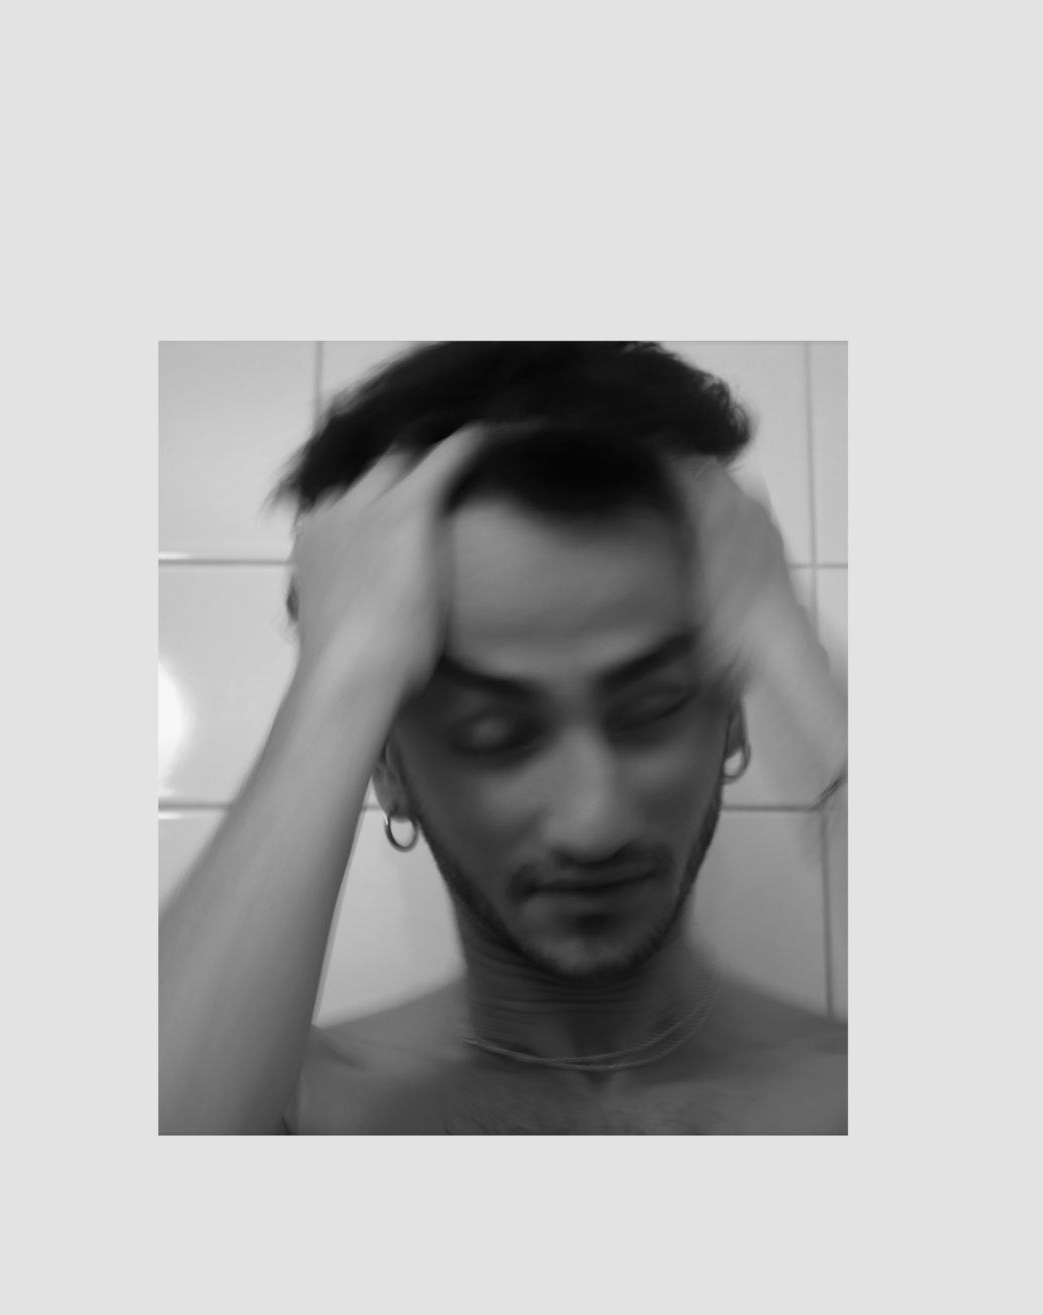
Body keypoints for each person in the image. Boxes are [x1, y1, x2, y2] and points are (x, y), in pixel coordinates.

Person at [159, 342, 847, 1134]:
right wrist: (342, 678)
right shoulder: (299, 1111)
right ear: (387, 771)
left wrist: (789, 656)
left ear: (730, 719)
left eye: (653, 710)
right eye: (492, 734)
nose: (595, 826)